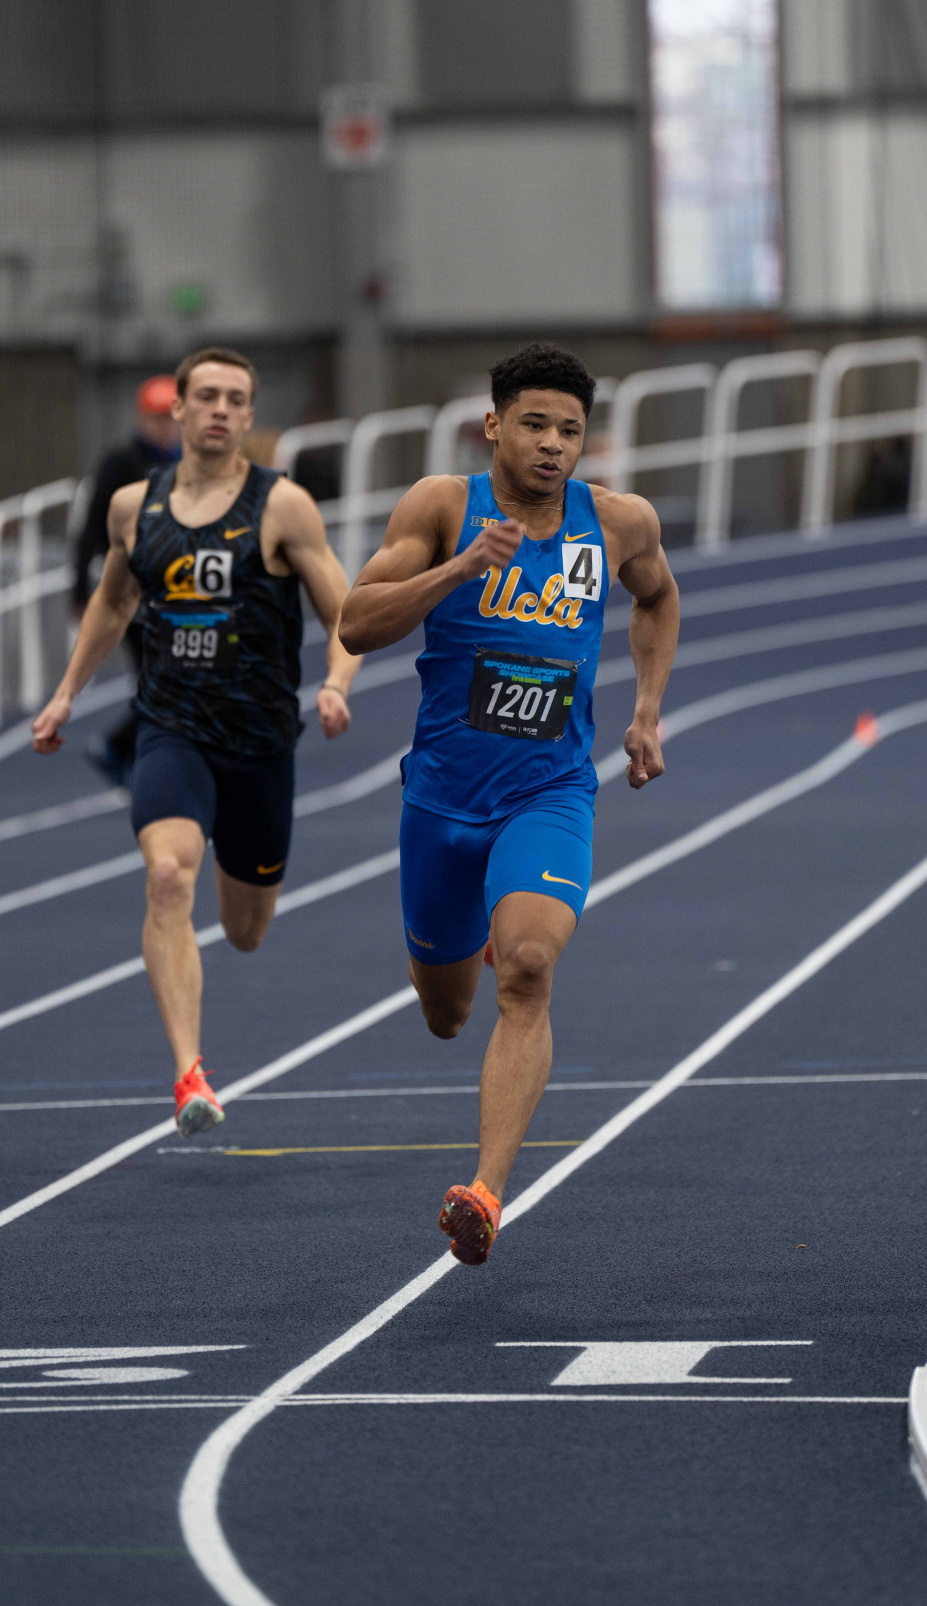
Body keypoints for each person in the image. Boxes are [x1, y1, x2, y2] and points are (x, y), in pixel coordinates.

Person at [339, 341, 679, 1265]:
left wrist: (646, 710)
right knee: (447, 1011)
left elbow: (657, 600)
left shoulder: (617, 523)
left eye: (570, 430)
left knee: (526, 966)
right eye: (534, 424)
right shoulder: (443, 506)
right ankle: (469, 930)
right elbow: (354, 622)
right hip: (443, 803)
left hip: (550, 788)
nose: (553, 446)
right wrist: (458, 569)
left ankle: (485, 1192)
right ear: (493, 425)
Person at [32, 347, 361, 1136]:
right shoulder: (130, 508)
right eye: (205, 395)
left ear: (249, 417)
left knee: (246, 931)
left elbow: (349, 614)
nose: (219, 409)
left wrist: (335, 684)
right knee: (168, 877)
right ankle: (189, 1075)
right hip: (170, 727)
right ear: (176, 411)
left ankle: (231, 885)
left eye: (234, 398)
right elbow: (112, 605)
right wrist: (66, 694)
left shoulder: (283, 507)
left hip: (259, 740)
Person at [72, 376, 181, 783]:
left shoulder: (186, 461)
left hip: (177, 590)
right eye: (155, 417)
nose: (163, 425)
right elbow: (88, 527)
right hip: (133, 589)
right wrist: (82, 588)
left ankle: (138, 751)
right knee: (165, 675)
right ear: (141, 418)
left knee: (177, 674)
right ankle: (122, 746)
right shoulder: (121, 462)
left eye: (169, 417)